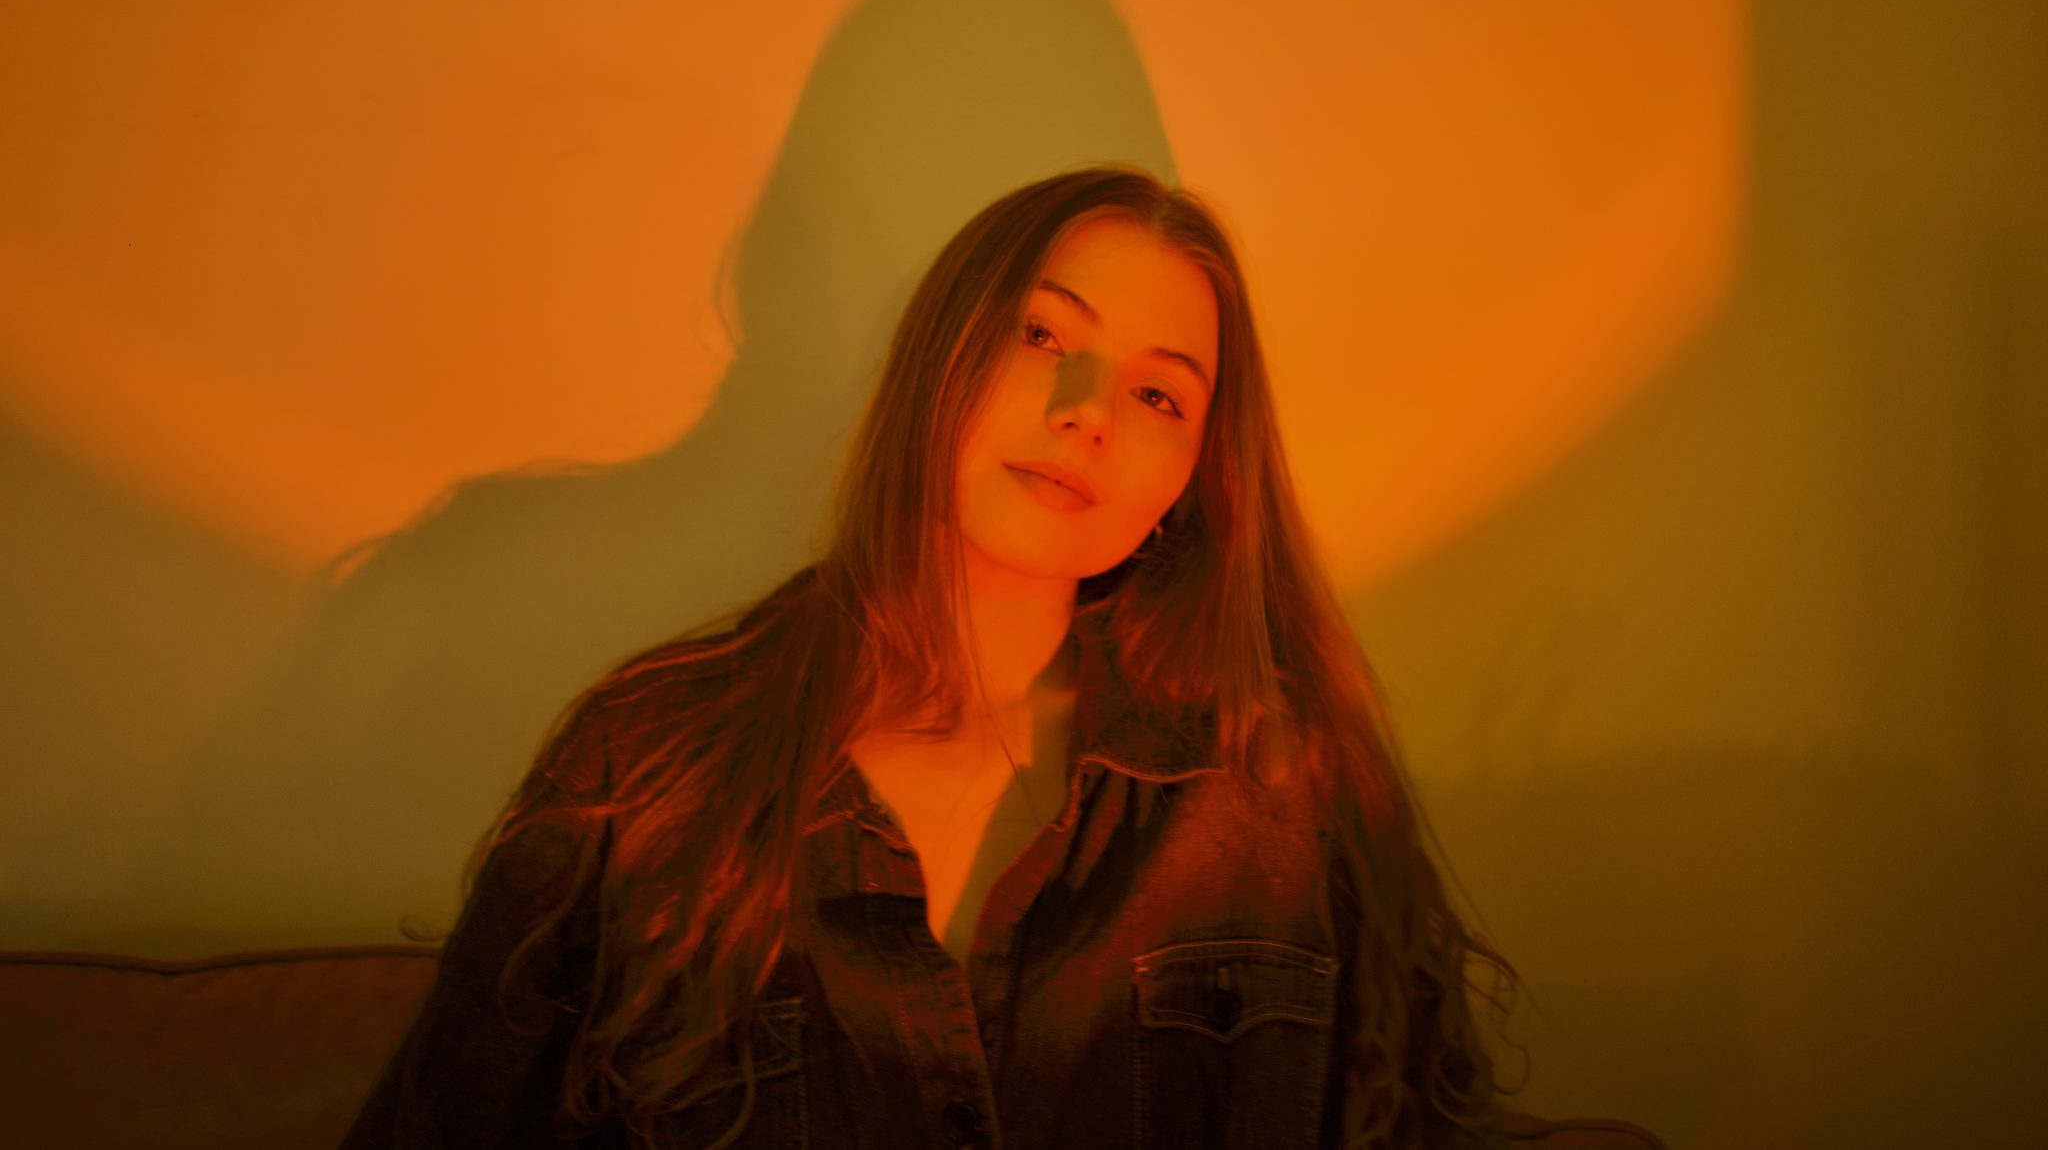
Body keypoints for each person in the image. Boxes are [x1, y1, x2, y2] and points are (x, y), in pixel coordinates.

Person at [341, 164, 1519, 1149]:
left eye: (1159, 396)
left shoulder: (1282, 789)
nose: (1086, 410)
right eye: (1042, 334)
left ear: (1191, 482)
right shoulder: (643, 771)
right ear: (936, 359)